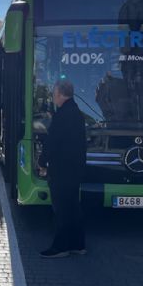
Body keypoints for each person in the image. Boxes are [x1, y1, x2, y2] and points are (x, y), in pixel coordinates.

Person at [38, 80, 87, 258]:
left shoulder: (62, 115)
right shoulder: (77, 113)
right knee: (73, 208)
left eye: (53, 94)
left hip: (61, 170)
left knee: (61, 210)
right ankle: (78, 245)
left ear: (59, 94)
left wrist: (42, 162)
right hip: (75, 170)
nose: (53, 97)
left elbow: (52, 143)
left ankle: (61, 247)